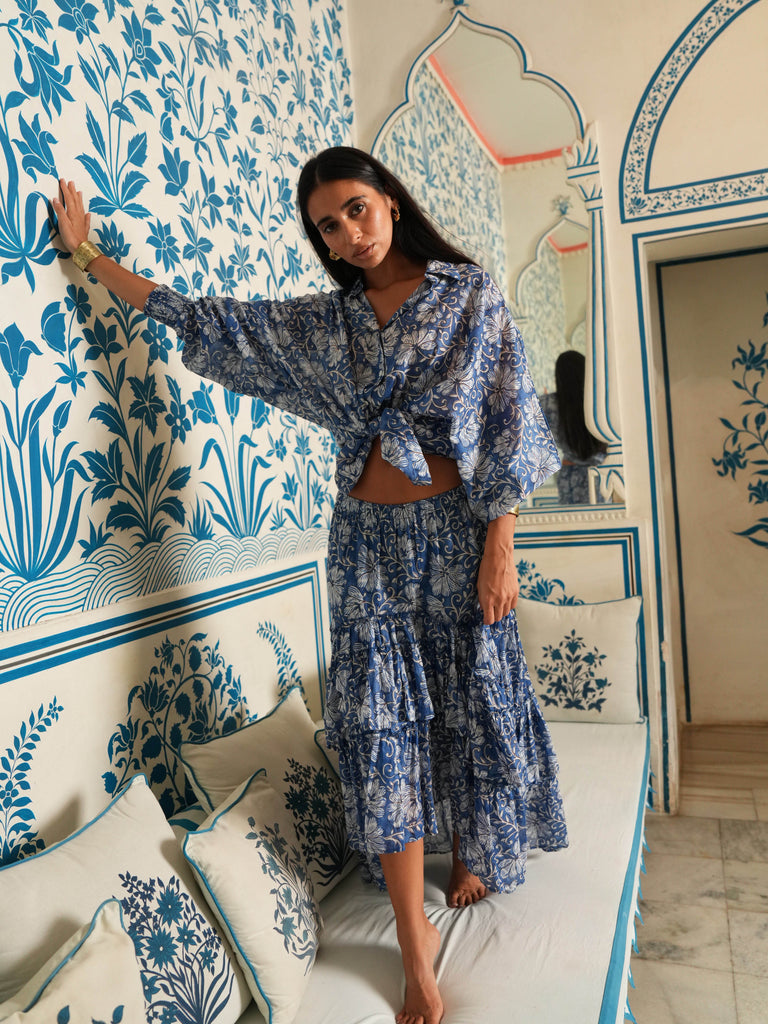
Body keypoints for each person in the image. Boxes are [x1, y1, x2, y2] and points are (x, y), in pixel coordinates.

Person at [52, 147, 568, 1024]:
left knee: (470, 694)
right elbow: (208, 319)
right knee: (380, 721)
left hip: (456, 533)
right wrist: (92, 259)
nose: (348, 234)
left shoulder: (468, 295)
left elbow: (507, 420)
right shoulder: (326, 325)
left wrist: (501, 543)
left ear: (390, 201)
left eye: (357, 209)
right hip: (364, 543)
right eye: (328, 226)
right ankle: (414, 942)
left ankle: (475, 842)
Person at [539, 350, 608, 505]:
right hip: (601, 474)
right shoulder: (599, 401)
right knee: (602, 518)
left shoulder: (547, 404)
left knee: (572, 519)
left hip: (569, 475)